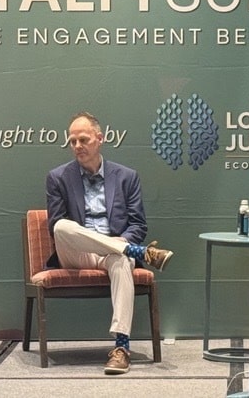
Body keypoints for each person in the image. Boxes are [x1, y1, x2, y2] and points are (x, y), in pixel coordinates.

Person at [45, 112, 173, 375]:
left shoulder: (127, 176)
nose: (77, 146)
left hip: (112, 251)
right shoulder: (58, 177)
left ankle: (121, 348)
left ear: (100, 139)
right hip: (76, 252)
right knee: (61, 226)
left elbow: (138, 224)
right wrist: (124, 246)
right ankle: (138, 252)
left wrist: (122, 241)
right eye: (72, 141)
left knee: (121, 260)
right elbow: (55, 226)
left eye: (83, 139)